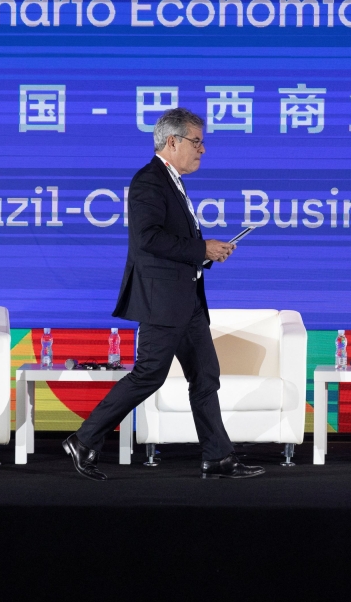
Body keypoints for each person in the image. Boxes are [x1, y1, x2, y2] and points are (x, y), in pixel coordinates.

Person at [62, 108, 264, 481]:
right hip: (162, 301)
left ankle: (218, 457)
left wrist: (207, 254)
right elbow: (148, 239)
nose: (202, 150)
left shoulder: (173, 181)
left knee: (205, 375)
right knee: (148, 375)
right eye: (196, 141)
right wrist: (202, 248)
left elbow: (177, 244)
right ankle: (84, 439)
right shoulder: (148, 182)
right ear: (172, 142)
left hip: (187, 300)